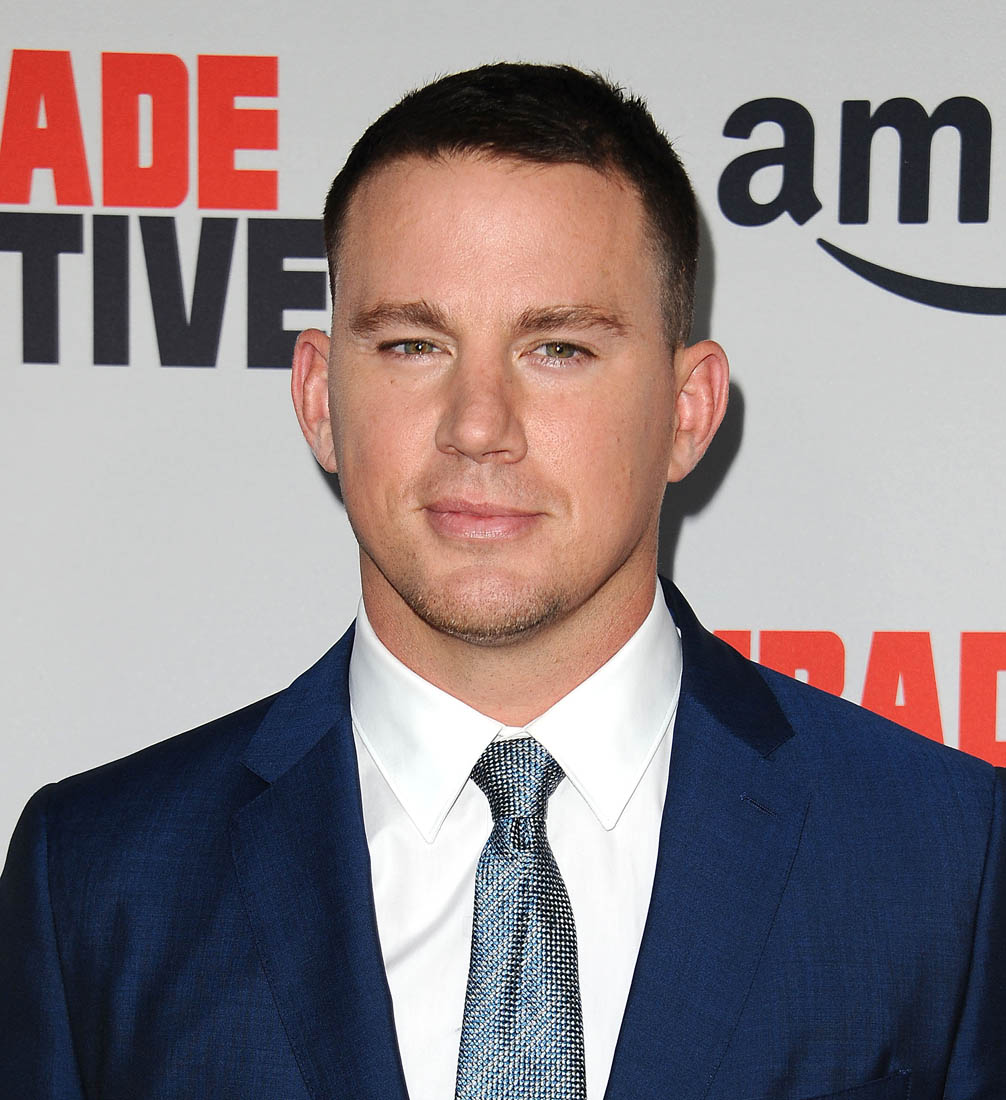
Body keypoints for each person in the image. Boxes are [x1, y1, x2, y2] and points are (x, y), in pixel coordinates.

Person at [1, 62, 1002, 1100]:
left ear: (688, 411)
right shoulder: (98, 879)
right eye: (412, 344)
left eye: (557, 348)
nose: (478, 425)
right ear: (319, 398)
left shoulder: (943, 859)